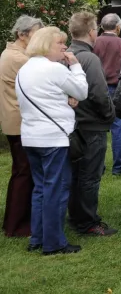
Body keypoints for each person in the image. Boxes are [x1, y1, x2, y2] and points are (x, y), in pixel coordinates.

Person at [16, 27, 88, 254]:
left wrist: (64, 99)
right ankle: (54, 242)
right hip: (53, 138)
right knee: (56, 189)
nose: (65, 47)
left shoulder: (24, 69)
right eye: (60, 43)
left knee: (40, 188)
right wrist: (75, 65)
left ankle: (37, 237)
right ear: (47, 45)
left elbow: (44, 96)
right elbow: (82, 91)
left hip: (30, 136)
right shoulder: (54, 69)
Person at [66, 12, 117, 237]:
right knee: (90, 174)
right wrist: (109, 114)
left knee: (75, 173)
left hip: (72, 124)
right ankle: (88, 222)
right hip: (91, 123)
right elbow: (99, 92)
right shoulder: (89, 58)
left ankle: (76, 215)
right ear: (91, 32)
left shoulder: (64, 55)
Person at [0, 15, 43, 238]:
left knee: (21, 171)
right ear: (22, 34)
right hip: (19, 122)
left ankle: (13, 221)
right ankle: (17, 225)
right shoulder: (19, 58)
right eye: (36, 34)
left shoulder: (13, 54)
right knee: (24, 172)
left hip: (14, 121)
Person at [93, 13, 121, 176]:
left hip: (96, 88)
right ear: (118, 27)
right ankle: (118, 168)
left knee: (96, 129)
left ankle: (97, 167)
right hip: (116, 89)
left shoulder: (94, 43)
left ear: (101, 26)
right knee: (118, 129)